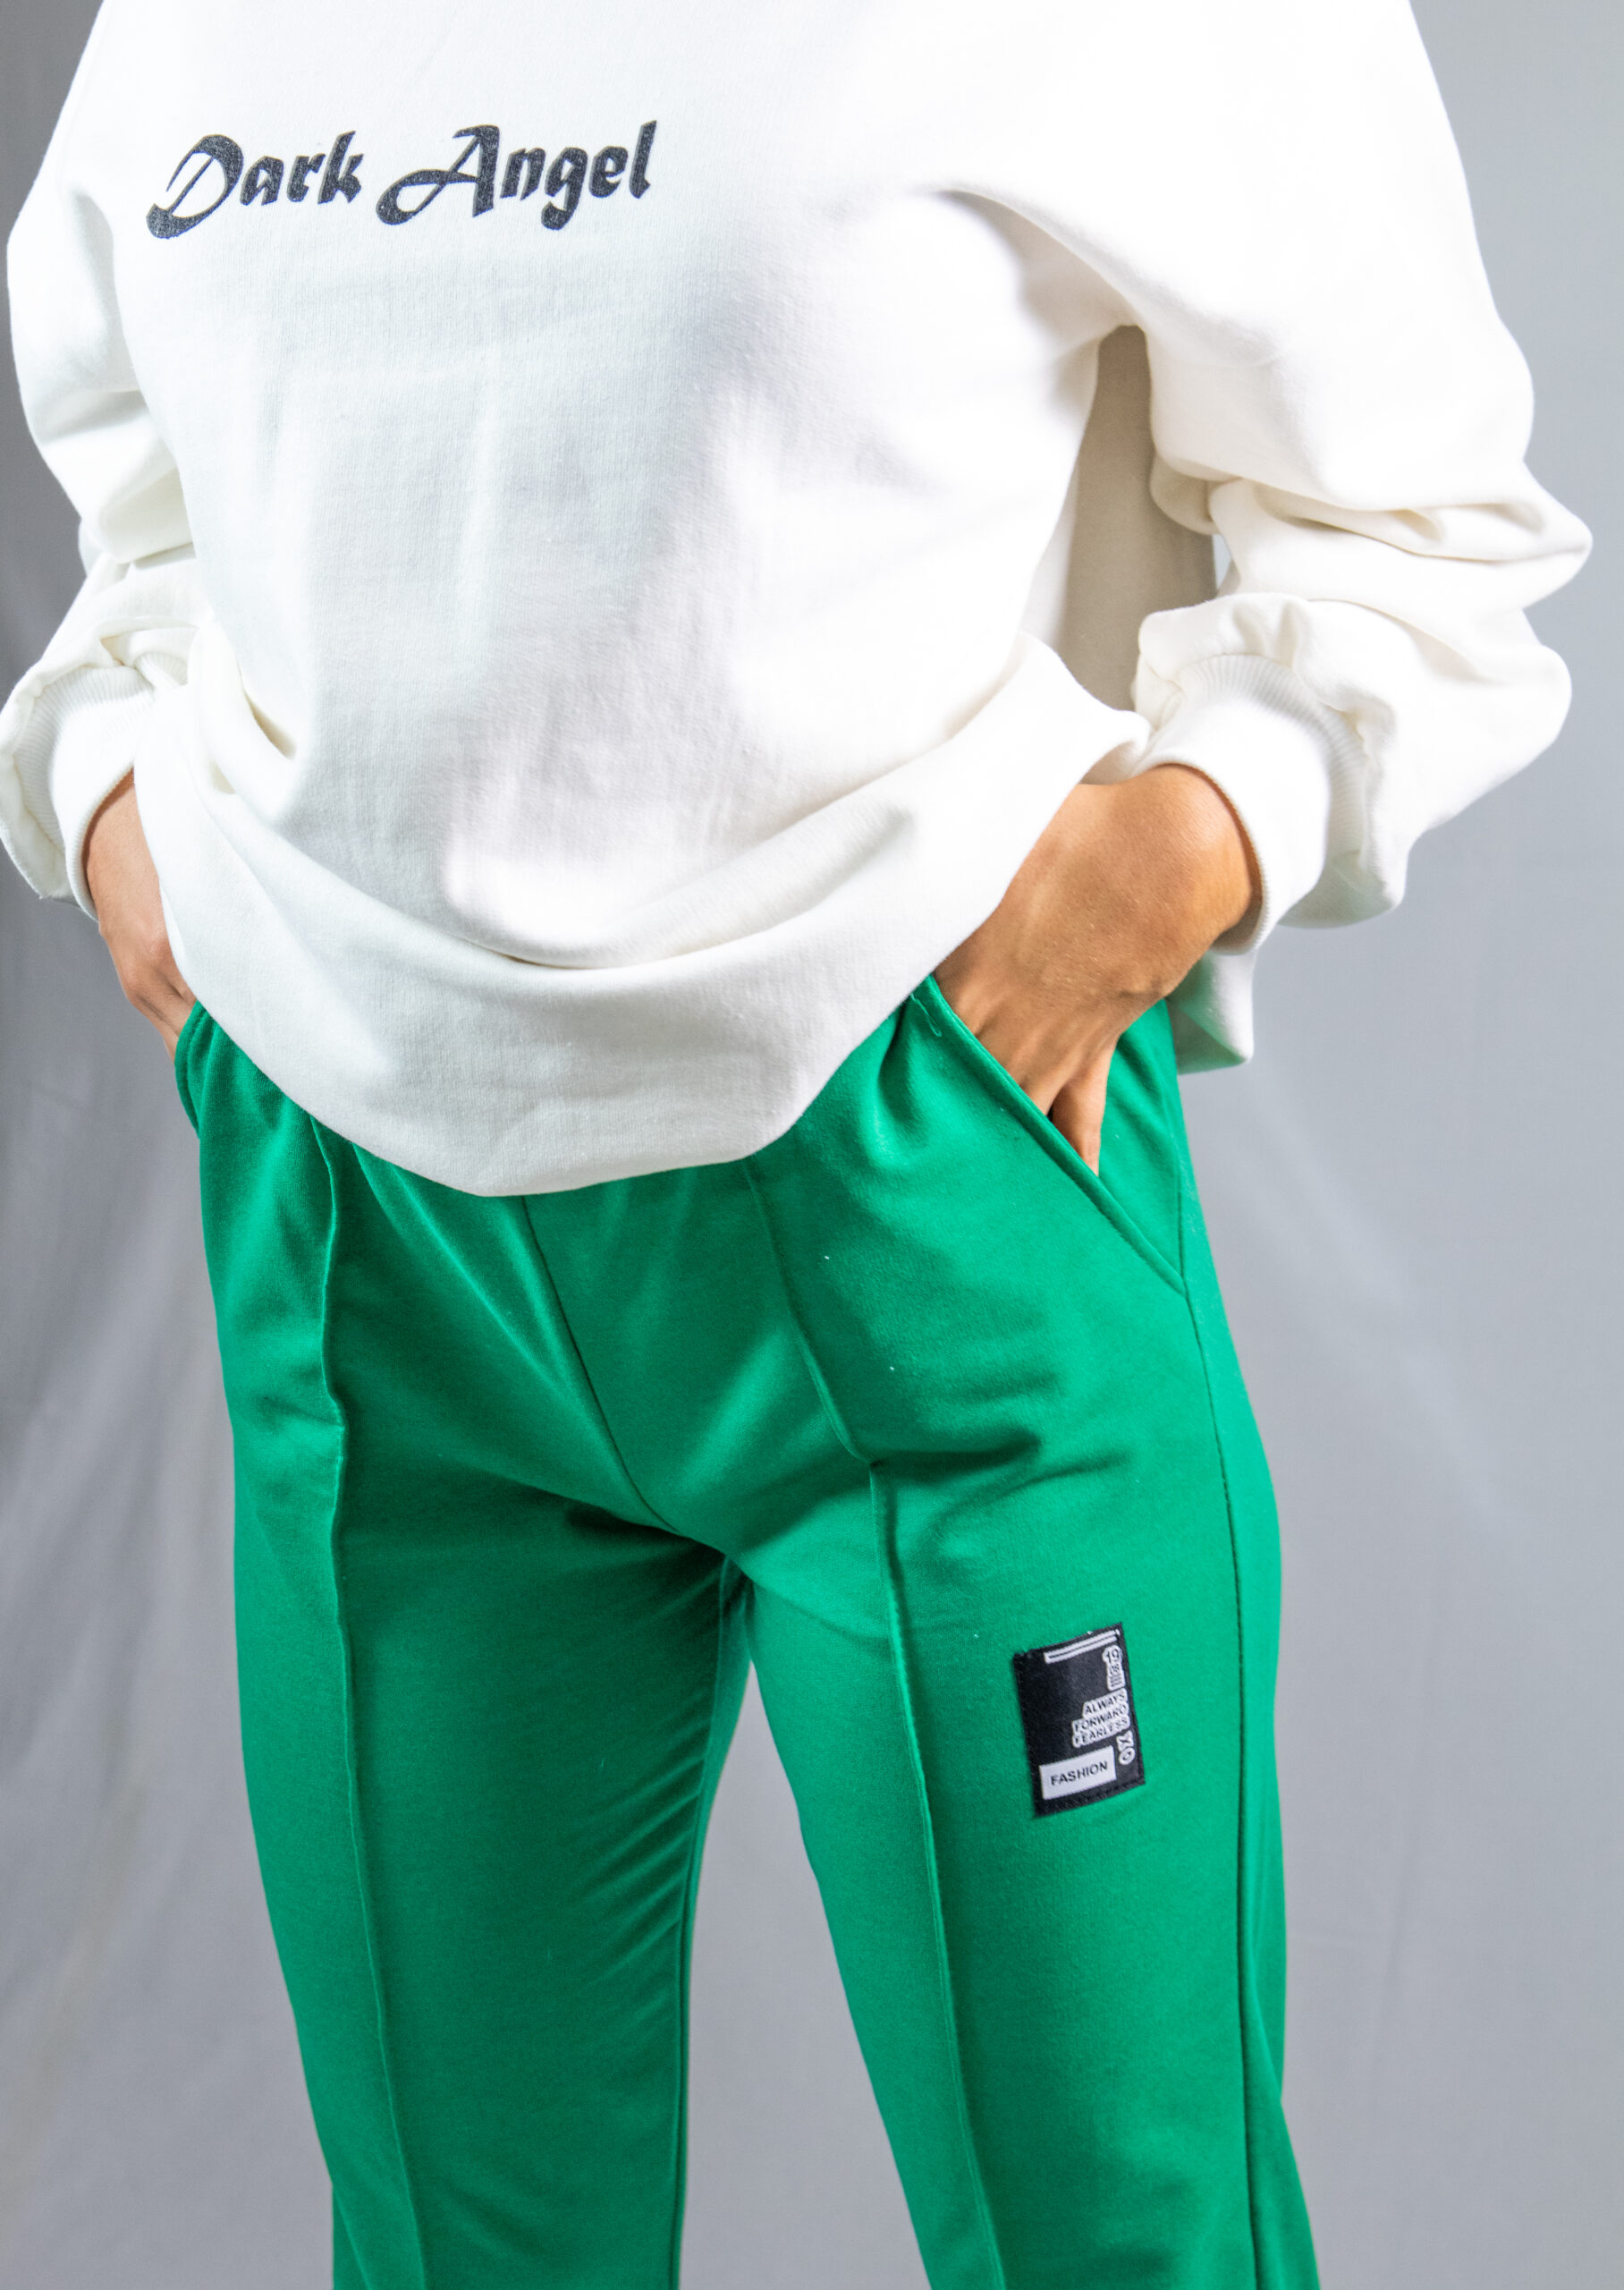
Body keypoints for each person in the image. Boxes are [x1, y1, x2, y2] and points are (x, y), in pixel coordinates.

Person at [0, 2, 1588, 2284]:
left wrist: (1190, 835)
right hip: (365, 1244)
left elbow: (1421, 516)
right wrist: (110, 787)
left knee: (1115, 2234)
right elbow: (140, 466)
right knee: (454, 2245)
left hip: (911, 1186)